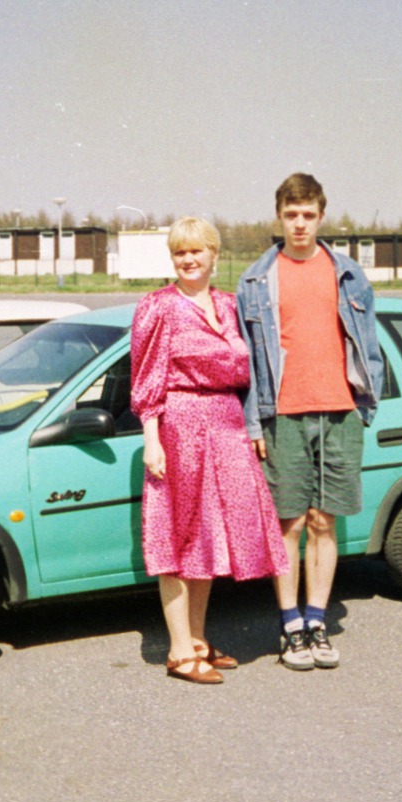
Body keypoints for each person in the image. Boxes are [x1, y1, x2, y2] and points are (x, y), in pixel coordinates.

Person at [132, 217, 290, 684]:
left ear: (214, 255)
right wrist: (152, 438)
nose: (188, 259)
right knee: (177, 540)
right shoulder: (158, 306)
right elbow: (146, 379)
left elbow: (254, 368)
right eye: (180, 252)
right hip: (180, 427)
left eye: (197, 251)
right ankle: (179, 652)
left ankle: (198, 639)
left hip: (226, 428)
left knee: (209, 537)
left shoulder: (229, 305)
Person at [239, 174, 385, 671]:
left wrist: (368, 401)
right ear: (279, 216)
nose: (299, 224)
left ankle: (317, 620)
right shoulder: (258, 279)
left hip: (340, 410)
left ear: (321, 217)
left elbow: (369, 342)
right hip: (283, 415)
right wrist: (255, 425)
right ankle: (291, 626)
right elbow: (249, 362)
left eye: (308, 215)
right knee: (290, 523)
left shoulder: (347, 273)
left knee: (325, 522)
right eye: (291, 214)